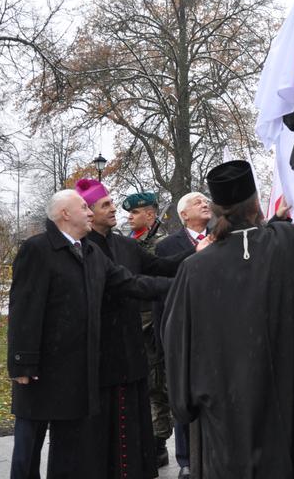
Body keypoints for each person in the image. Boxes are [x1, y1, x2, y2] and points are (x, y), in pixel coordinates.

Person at [163, 152, 294, 479]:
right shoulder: (287, 245)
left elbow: (176, 341)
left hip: (223, 423)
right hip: (283, 411)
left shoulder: (194, 269)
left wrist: (184, 405)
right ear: (256, 205)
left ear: (218, 210)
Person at [7, 190, 172, 479]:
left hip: (76, 369)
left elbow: (132, 283)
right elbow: (24, 306)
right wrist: (21, 361)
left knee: (69, 444)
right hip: (39, 368)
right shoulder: (38, 249)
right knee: (29, 442)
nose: (89, 212)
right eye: (84, 207)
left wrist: (180, 284)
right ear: (64, 214)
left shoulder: (91, 252)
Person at [77, 179, 194, 479]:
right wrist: (178, 288)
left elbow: (161, 266)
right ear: (88, 212)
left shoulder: (126, 244)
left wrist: (198, 249)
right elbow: (131, 284)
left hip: (131, 346)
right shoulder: (85, 249)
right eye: (106, 205)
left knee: (134, 423)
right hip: (102, 351)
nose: (115, 208)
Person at [156, 190, 213, 477]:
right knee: (182, 395)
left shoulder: (222, 238)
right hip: (184, 332)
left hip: (215, 333)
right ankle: (186, 461)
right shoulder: (168, 247)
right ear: (183, 215)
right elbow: (164, 292)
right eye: (197, 202)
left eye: (206, 200)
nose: (205, 203)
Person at [123, 190, 172, 467]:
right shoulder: (129, 242)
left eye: (135, 212)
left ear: (150, 215)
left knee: (155, 383)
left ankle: (158, 443)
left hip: (151, 321)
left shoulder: (161, 244)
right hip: (132, 321)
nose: (129, 217)